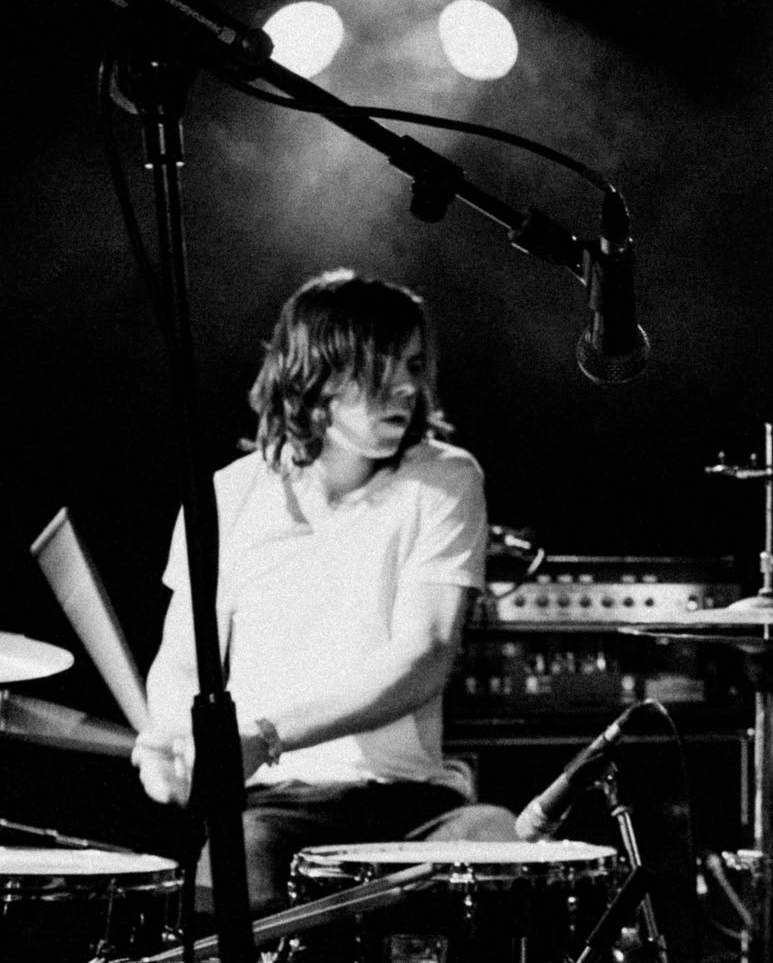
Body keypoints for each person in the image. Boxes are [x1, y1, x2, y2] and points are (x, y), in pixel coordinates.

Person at [134, 269, 514, 915]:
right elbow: (179, 661)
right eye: (378, 369)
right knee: (220, 893)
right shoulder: (228, 496)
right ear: (314, 380)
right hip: (272, 808)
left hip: (408, 802)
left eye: (414, 365)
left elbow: (424, 654)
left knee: (501, 847)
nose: (406, 387)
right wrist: (168, 741)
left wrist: (266, 735)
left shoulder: (446, 480)